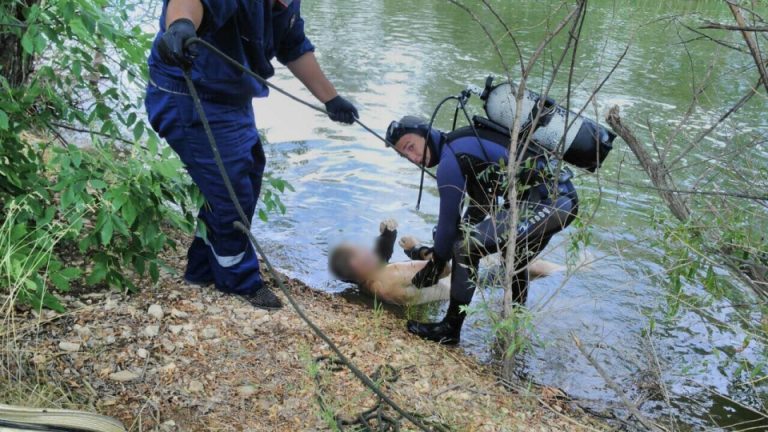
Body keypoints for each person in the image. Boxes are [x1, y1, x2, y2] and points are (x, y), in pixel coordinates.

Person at [145, 0, 359, 309]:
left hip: (233, 98)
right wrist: (180, 26)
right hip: (188, 93)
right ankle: (237, 281)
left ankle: (201, 269)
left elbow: (293, 45)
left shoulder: (286, 5)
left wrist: (331, 98)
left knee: (247, 176)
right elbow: (191, 3)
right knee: (231, 193)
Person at [385, 115, 579, 344]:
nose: (413, 158)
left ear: (427, 132)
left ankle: (450, 329)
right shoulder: (464, 148)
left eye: (411, 147)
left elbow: (448, 224)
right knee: (513, 258)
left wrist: (436, 261)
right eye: (405, 155)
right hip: (563, 201)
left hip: (552, 204)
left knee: (465, 248)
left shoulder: (450, 159)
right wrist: (439, 250)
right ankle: (512, 326)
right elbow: (480, 207)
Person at [328, 219, 568, 307]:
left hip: (439, 295)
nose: (364, 249)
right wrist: (416, 249)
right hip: (463, 286)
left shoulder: (370, 286)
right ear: (355, 267)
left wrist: (387, 238)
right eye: (359, 253)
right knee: (529, 268)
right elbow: (444, 267)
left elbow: (380, 262)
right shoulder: (393, 274)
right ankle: (568, 274)